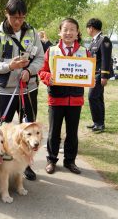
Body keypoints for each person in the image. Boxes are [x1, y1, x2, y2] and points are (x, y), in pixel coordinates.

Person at [0, 0, 44, 181]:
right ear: (7, 14)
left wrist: (29, 71)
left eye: (21, 17)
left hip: (28, 89)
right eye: (14, 17)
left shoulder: (32, 33)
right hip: (5, 91)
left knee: (29, 129)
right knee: (2, 130)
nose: (18, 22)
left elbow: (40, 59)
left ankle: (26, 165)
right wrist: (10, 67)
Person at [38, 18, 90, 175]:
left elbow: (89, 72)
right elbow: (42, 71)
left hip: (75, 99)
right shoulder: (51, 51)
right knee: (54, 131)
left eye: (72, 29)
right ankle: (51, 160)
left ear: (77, 33)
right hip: (56, 98)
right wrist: (49, 78)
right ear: (60, 32)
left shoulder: (84, 52)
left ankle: (70, 161)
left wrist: (90, 76)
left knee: (72, 132)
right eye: (65, 29)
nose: (69, 32)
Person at [85, 18, 112, 132]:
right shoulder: (94, 41)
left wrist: (104, 76)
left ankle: (99, 123)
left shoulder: (103, 40)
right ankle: (98, 122)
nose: (87, 30)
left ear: (91, 28)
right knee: (98, 98)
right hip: (93, 73)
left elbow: (106, 59)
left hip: (99, 74)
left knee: (92, 97)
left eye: (87, 28)